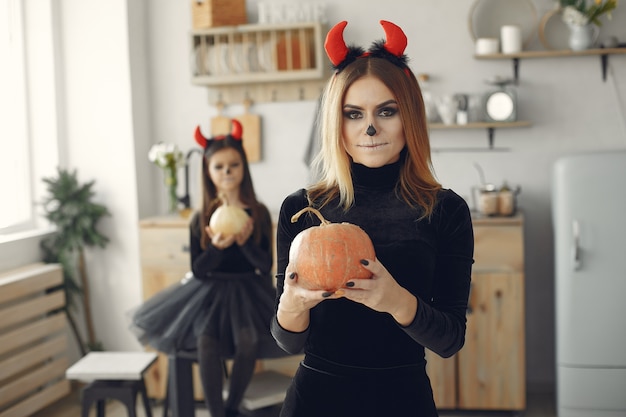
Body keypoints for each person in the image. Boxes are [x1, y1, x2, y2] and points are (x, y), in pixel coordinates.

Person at [270, 20, 474, 417]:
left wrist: (396, 301)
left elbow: (450, 340)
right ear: (336, 122)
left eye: (386, 110)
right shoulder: (301, 210)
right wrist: (292, 305)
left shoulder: (446, 211)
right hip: (315, 402)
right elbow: (288, 342)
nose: (369, 127)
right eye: (352, 113)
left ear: (409, 116)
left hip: (403, 400)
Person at [131, 120, 284, 417]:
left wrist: (244, 242)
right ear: (208, 171)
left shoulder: (260, 213)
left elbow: (264, 266)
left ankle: (230, 407)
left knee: (248, 341)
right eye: (219, 167)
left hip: (249, 292)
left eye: (233, 165)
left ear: (243, 168)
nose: (227, 172)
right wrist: (217, 247)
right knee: (206, 343)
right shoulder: (200, 217)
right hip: (208, 294)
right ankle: (216, 412)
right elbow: (199, 270)